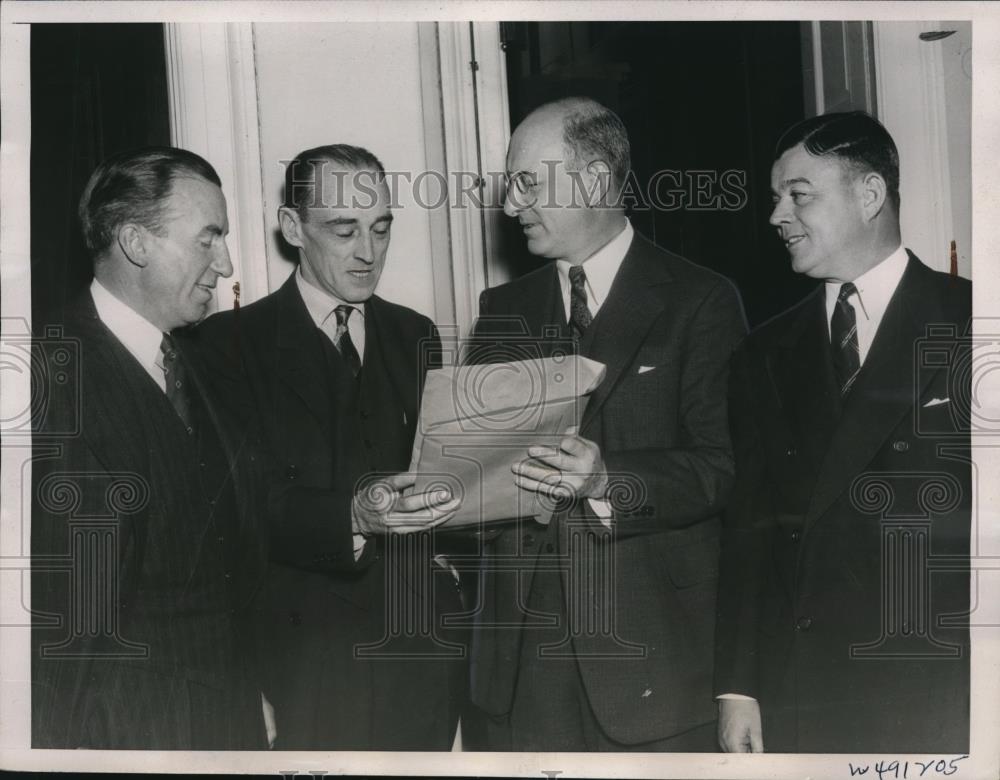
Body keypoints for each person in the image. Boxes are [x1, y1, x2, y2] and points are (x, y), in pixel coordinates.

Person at [465, 97, 747, 751]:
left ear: (593, 179)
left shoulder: (700, 300)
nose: (511, 207)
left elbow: (722, 467)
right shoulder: (502, 308)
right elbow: (478, 477)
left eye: (528, 183)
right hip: (523, 671)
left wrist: (607, 479)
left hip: (654, 661)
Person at [714, 111, 971, 753]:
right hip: (808, 689)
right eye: (777, 198)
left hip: (946, 684)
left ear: (869, 195)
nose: (777, 216)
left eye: (798, 195)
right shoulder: (761, 353)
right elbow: (747, 529)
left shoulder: (975, 319)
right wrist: (738, 688)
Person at [196, 144, 466, 750]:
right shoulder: (226, 344)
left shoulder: (414, 333)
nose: (368, 253)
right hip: (304, 656)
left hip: (421, 646)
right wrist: (352, 513)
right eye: (344, 231)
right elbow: (240, 507)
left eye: (380, 228)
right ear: (293, 228)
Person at [31, 147, 269, 749]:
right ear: (136, 243)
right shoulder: (49, 379)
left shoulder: (201, 362)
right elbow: (64, 626)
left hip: (227, 720)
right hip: (125, 732)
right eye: (207, 240)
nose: (227, 262)